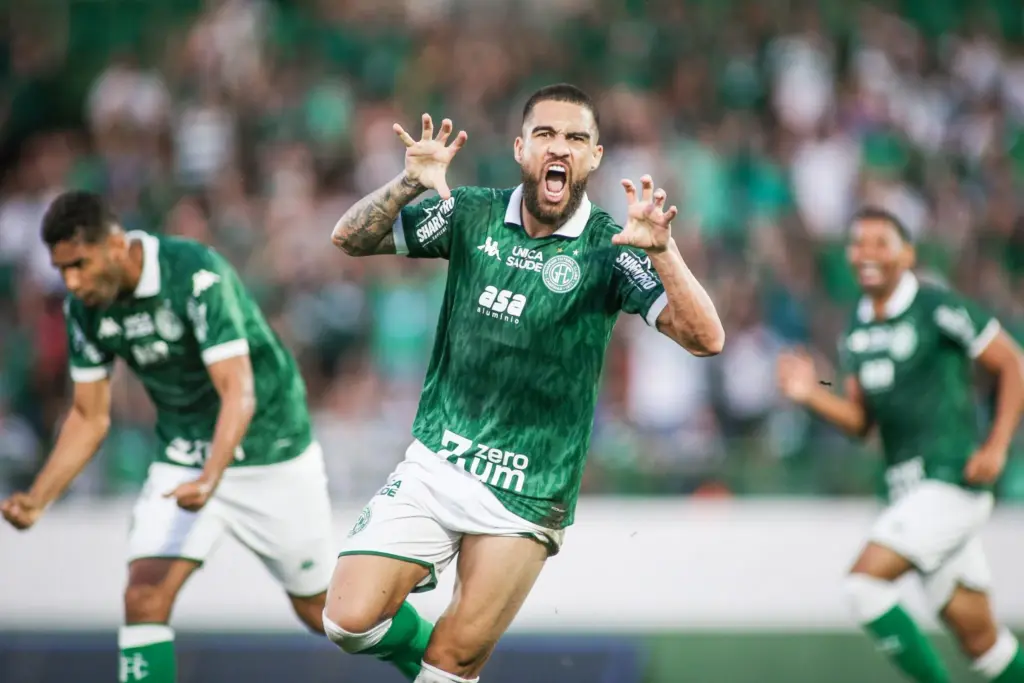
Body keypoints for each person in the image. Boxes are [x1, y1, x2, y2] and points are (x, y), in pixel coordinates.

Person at [325, 83, 724, 683]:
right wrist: (408, 181)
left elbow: (706, 338)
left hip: (527, 490)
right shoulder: (470, 213)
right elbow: (350, 239)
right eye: (545, 135)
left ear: (594, 157)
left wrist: (665, 252)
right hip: (439, 459)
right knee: (348, 622)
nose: (558, 148)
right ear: (520, 148)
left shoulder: (610, 248)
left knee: (450, 662)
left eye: (575, 138)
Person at [0, 191, 336, 683]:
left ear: (115, 246)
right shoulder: (85, 310)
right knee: (143, 596)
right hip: (184, 457)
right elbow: (89, 417)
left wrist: (212, 476)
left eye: (79, 265)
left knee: (330, 615)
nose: (71, 282)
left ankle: (440, 661)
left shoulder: (194, 272)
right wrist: (38, 497)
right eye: (61, 269)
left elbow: (237, 391)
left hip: (271, 450)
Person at [777, 207, 1024, 683]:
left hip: (950, 481)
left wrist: (995, 447)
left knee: (863, 585)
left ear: (907, 254)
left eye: (880, 243)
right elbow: (862, 424)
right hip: (910, 493)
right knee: (984, 645)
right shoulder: (858, 330)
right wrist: (811, 396)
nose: (866, 254)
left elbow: (1012, 363)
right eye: (857, 243)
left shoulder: (936, 307)